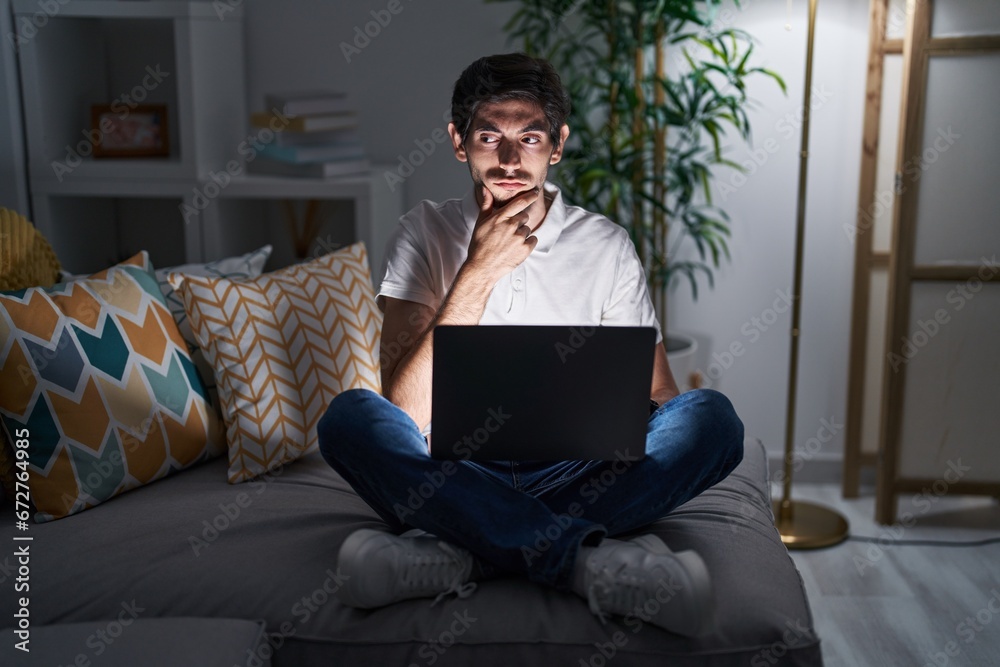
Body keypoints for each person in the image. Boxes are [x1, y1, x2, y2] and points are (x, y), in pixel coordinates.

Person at [317, 53, 744, 637]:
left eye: (531, 136)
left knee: (712, 419)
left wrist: (649, 433)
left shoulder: (607, 244)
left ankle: (463, 548)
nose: (512, 159)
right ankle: (586, 561)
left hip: (578, 469)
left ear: (558, 144)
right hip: (454, 467)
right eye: (490, 136)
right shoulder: (424, 230)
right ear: (459, 142)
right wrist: (477, 272)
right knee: (350, 418)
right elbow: (406, 410)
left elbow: (661, 393)